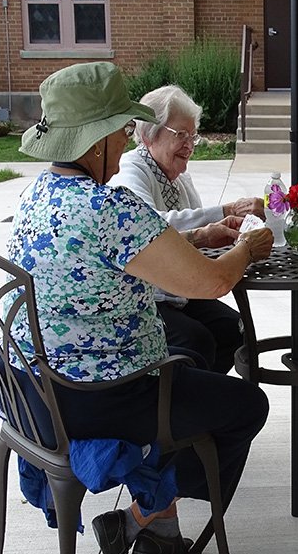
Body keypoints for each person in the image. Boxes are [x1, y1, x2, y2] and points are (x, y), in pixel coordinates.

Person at [8, 62, 273, 554]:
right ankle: (142, 516)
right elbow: (212, 282)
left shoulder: (36, 194)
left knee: (194, 353)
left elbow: (145, 256)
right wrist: (248, 246)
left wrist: (200, 237)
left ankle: (160, 532)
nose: (129, 139)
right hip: (97, 395)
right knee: (245, 406)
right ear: (94, 141)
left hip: (32, 389)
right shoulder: (109, 208)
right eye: (122, 129)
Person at [109, 84, 264, 374]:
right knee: (197, 340)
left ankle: (195, 402)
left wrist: (225, 231)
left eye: (193, 135)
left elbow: (197, 235)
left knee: (236, 330)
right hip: (146, 296)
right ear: (147, 135)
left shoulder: (179, 179)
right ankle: (175, 408)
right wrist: (226, 211)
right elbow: (152, 227)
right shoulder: (131, 171)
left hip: (177, 293)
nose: (190, 144)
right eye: (180, 134)